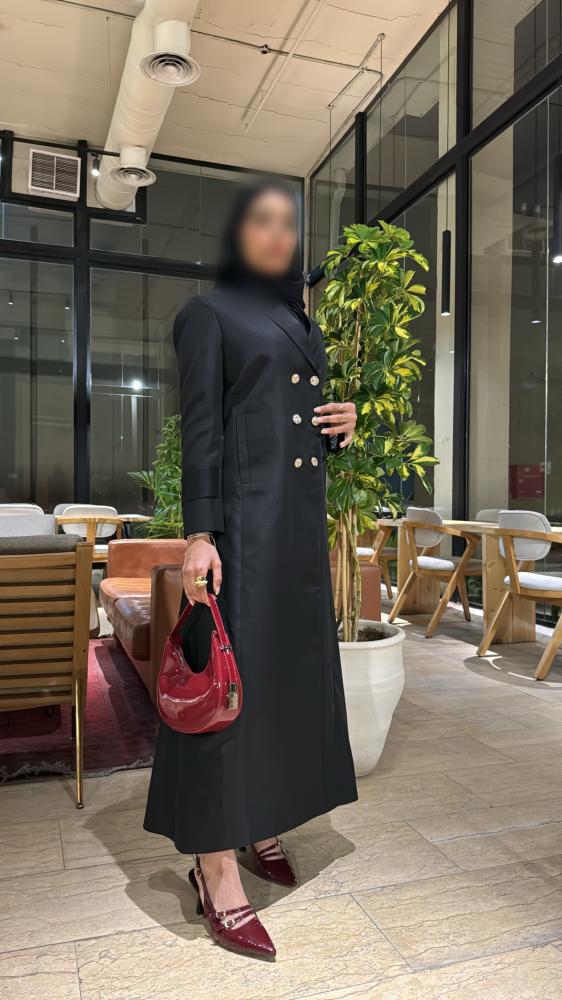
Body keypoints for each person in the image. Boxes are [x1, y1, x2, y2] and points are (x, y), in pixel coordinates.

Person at [144, 180, 358, 960]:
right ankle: (214, 868)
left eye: (288, 224)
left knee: (281, 688)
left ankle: (260, 817)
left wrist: (342, 426)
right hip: (241, 534)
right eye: (262, 222)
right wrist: (199, 534)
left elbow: (286, 423)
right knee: (225, 696)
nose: (279, 235)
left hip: (296, 531)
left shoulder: (301, 321)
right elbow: (202, 428)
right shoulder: (209, 314)